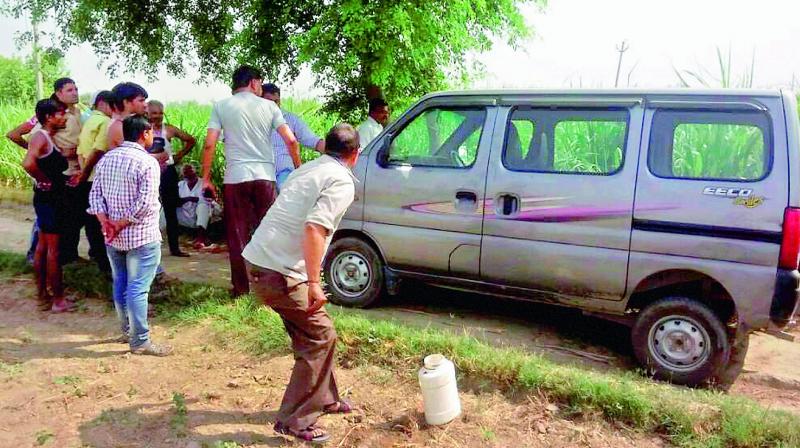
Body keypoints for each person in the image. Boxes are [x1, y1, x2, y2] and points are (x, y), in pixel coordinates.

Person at [242, 123, 361, 444]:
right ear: (356, 154)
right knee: (320, 335)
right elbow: (313, 229)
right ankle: (295, 420)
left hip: (259, 259)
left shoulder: (308, 169)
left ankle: (325, 398)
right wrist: (313, 282)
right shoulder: (340, 181)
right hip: (278, 271)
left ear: (326, 148)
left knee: (312, 335)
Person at [200, 64, 300, 296]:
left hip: (235, 178)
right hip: (265, 177)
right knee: (271, 232)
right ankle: (274, 287)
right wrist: (298, 168)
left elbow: (209, 143)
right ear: (254, 83)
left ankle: (242, 289)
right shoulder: (269, 106)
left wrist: (206, 178)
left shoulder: (221, 106)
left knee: (237, 235)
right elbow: (292, 141)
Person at [88, 114, 173, 356]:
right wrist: (121, 223)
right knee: (137, 288)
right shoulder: (147, 162)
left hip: (113, 237)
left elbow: (95, 196)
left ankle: (127, 330)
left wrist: (108, 222)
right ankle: (140, 341)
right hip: (141, 236)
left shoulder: (106, 159)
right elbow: (145, 203)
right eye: (151, 132)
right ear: (144, 134)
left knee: (121, 283)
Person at [8, 78, 87, 265]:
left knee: (70, 217)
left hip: (74, 173)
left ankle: (68, 256)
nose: (75, 92)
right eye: (69, 90)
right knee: (47, 220)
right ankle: (35, 257)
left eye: (76, 88)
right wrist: (45, 155)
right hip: (58, 173)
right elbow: (15, 134)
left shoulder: (77, 112)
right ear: (58, 93)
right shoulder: (51, 114)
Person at [21, 99, 77, 313]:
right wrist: (44, 180)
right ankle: (58, 299)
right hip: (50, 200)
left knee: (43, 248)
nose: (64, 117)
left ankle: (43, 296)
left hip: (50, 198)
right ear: (48, 117)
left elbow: (47, 163)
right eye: (61, 114)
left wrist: (57, 178)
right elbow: (28, 163)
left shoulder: (47, 138)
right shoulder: (40, 136)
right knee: (53, 250)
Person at [147, 100, 197, 257]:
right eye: (154, 113)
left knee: (171, 209)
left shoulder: (168, 129)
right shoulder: (142, 129)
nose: (158, 116)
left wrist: (179, 156)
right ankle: (147, 246)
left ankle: (174, 248)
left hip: (167, 171)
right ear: (147, 113)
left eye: (160, 113)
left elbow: (191, 140)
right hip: (147, 172)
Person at [76, 90, 117, 273]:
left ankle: (99, 259)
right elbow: (98, 150)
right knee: (101, 223)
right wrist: (85, 174)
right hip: (97, 179)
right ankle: (105, 264)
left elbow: (80, 150)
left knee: (92, 222)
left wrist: (82, 173)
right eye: (113, 106)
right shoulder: (105, 122)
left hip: (89, 177)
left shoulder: (89, 121)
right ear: (104, 103)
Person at [261, 83, 324, 191]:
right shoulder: (253, 121)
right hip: (260, 175)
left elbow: (312, 140)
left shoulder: (290, 119)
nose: (274, 106)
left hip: (284, 173)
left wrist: (337, 150)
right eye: (269, 102)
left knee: (287, 192)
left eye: (276, 101)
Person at [176, 163, 222, 249]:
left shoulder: (204, 184)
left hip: (202, 213)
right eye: (187, 174)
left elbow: (209, 199)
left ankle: (200, 239)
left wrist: (195, 199)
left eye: (191, 173)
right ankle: (162, 234)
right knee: (166, 208)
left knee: (202, 206)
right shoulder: (180, 185)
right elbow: (176, 200)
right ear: (183, 176)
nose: (190, 176)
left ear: (195, 173)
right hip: (184, 213)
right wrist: (189, 199)